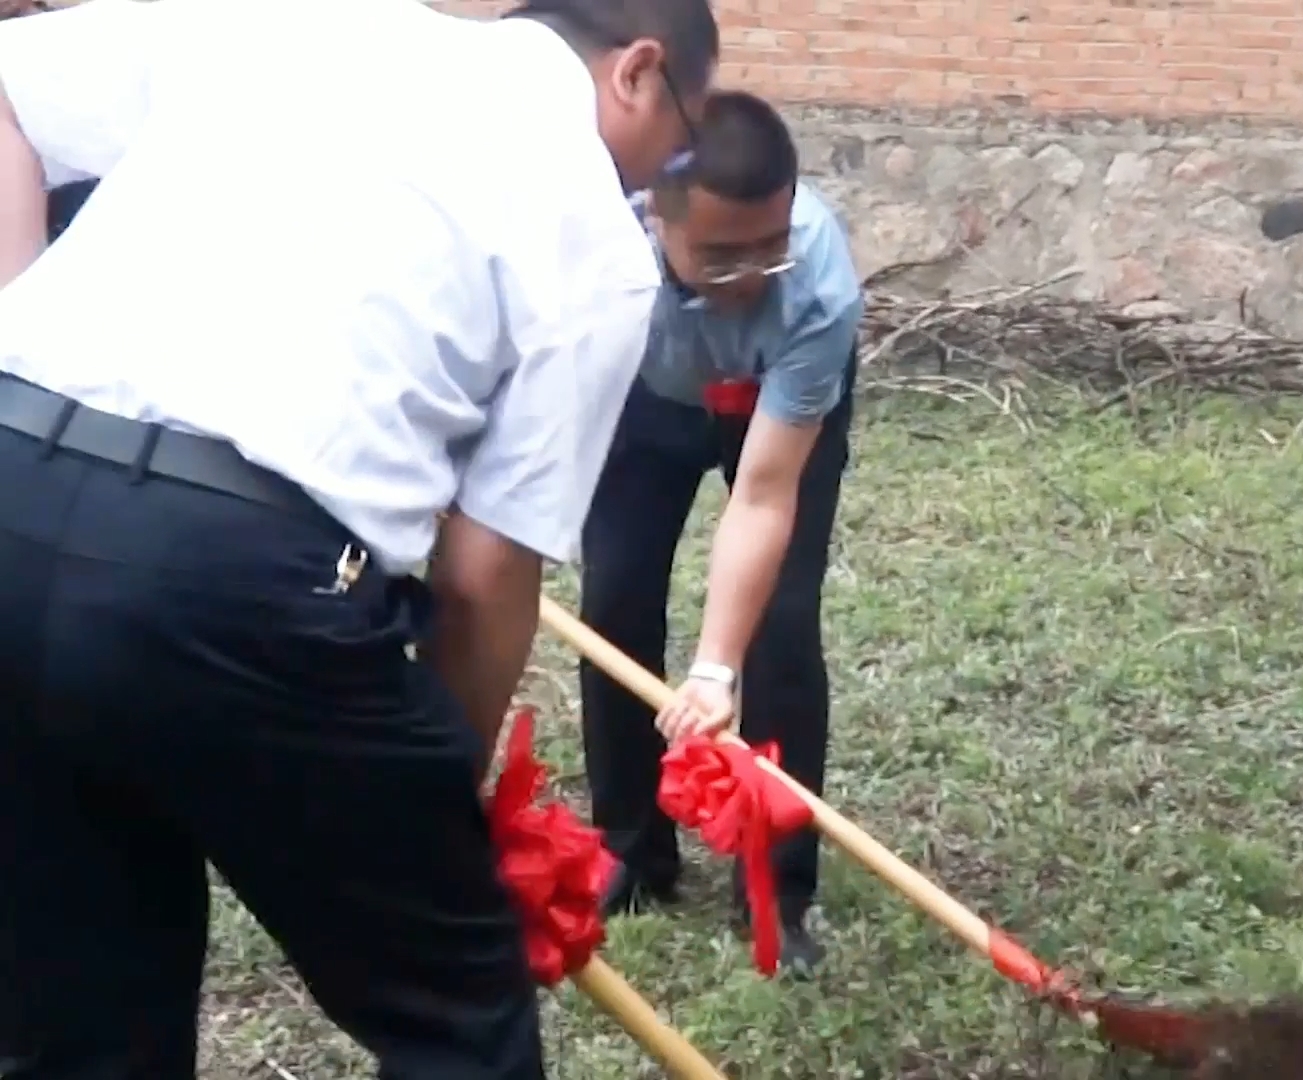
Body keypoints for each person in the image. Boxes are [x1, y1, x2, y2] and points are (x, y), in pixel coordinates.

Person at [0, 0, 716, 1075]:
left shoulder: (305, 20)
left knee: (83, 1017)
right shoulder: (592, 235)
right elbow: (482, 577)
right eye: (683, 142)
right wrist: (446, 809)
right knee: (457, 1014)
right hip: (227, 578)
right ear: (638, 72)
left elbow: (9, 88)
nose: (664, 178)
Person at [579, 90, 863, 974]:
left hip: (775, 403)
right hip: (649, 399)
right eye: (720, 255)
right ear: (655, 218)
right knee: (614, 601)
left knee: (779, 627)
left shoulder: (817, 288)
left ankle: (778, 887)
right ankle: (631, 850)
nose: (748, 278)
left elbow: (765, 496)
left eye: (768, 248)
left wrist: (714, 669)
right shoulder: (595, 243)